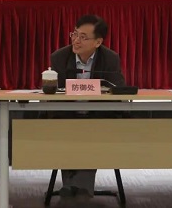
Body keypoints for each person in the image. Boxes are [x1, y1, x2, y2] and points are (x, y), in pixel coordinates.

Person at [50, 14, 126, 205]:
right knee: (69, 131)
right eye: (75, 34)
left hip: (98, 118)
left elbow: (119, 90)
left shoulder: (110, 58)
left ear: (98, 42)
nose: (76, 40)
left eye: (83, 37)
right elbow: (52, 92)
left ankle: (74, 187)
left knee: (90, 132)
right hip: (66, 118)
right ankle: (79, 188)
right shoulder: (59, 57)